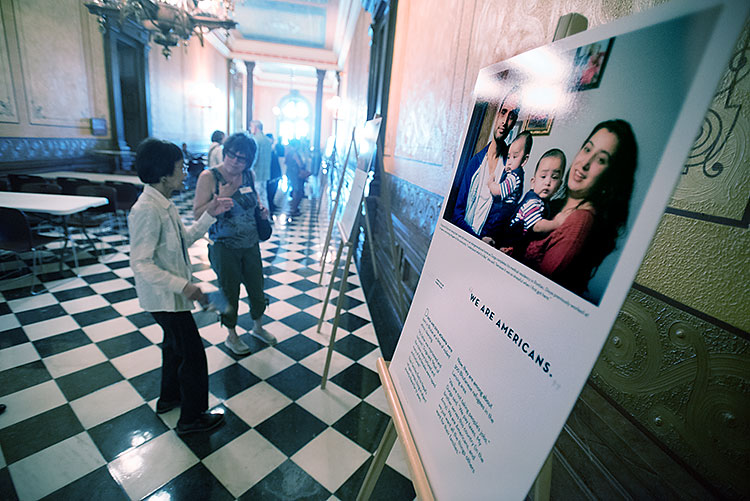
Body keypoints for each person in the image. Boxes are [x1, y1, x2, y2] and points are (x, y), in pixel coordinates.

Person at [129, 138, 233, 435]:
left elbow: (184, 239)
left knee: (174, 348)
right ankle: (191, 418)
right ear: (164, 176)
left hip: (169, 296)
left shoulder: (163, 203)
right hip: (164, 298)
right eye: (180, 168)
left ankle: (169, 398)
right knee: (193, 356)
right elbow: (141, 263)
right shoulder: (147, 210)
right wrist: (185, 286)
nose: (185, 172)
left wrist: (211, 213)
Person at [520, 120, 637, 296]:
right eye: (587, 149)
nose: (584, 163)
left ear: (611, 177)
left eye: (601, 160)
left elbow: (537, 289)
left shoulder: (579, 222)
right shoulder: (551, 204)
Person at [193, 132, 277, 356]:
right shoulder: (209, 177)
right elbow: (197, 214)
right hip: (223, 246)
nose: (235, 162)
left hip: (250, 244)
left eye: (242, 159)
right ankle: (231, 335)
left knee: (257, 288)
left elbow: (254, 200)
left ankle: (258, 327)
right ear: (225, 152)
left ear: (249, 161)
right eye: (231, 155)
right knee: (229, 292)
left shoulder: (248, 174)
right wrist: (219, 199)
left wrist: (261, 210)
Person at [451, 87, 522, 239]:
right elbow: (457, 215)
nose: (504, 121)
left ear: (514, 122)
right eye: (503, 112)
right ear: (497, 115)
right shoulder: (475, 163)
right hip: (464, 241)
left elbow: (506, 215)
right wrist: (477, 240)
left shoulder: (510, 169)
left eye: (511, 116)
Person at [488, 148, 566, 250]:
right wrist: (556, 223)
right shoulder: (533, 202)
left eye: (554, 177)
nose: (548, 182)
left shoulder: (544, 203)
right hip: (507, 242)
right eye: (543, 176)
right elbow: (537, 226)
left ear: (559, 185)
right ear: (533, 182)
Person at [486, 130, 533, 222]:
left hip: (502, 213)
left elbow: (497, 191)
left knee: (491, 230)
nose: (509, 162)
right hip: (501, 212)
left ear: (524, 160)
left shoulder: (514, 177)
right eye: (508, 157)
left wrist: (491, 183)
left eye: (514, 157)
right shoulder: (513, 173)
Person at [249, 120, 272, 211]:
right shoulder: (267, 140)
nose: (250, 129)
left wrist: (249, 169)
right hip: (265, 172)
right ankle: (267, 216)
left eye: (251, 127)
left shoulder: (255, 139)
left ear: (255, 127)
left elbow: (255, 157)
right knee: (263, 195)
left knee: (257, 196)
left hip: (256, 172)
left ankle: (260, 217)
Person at [285, 139, 310, 217]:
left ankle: (294, 208)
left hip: (291, 172)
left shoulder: (289, 152)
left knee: (296, 189)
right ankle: (294, 209)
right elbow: (300, 164)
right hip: (295, 173)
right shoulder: (294, 153)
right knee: (296, 190)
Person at [266, 133, 282, 214]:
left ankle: (272, 204)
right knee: (270, 190)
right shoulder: (267, 150)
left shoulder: (273, 148)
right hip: (271, 174)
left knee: (274, 189)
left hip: (275, 173)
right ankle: (270, 206)